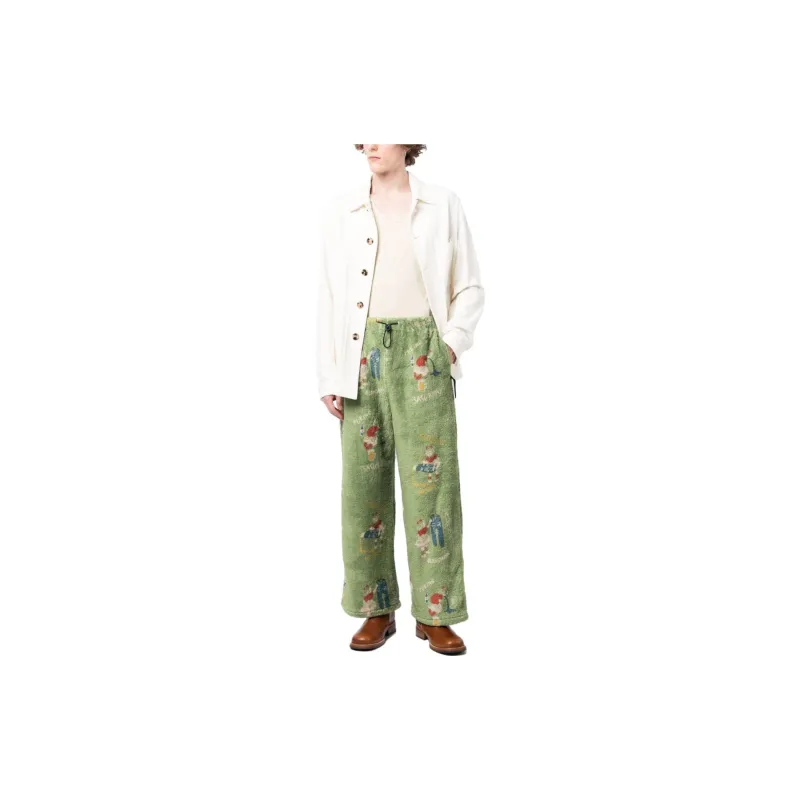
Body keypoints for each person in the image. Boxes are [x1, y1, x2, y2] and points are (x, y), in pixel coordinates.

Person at [317, 144, 485, 655]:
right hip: (360, 355)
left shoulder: (443, 204)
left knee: (433, 491)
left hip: (424, 354)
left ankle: (436, 613)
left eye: (383, 133)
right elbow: (329, 294)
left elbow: (469, 286)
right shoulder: (343, 210)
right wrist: (329, 373)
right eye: (364, 134)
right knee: (362, 492)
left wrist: (448, 345)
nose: (371, 144)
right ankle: (376, 608)